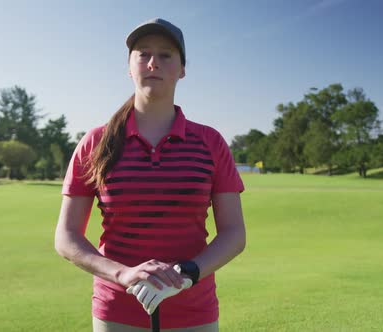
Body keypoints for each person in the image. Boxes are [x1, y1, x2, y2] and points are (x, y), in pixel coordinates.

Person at [55, 18, 246, 332]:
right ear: (130, 67)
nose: (153, 62)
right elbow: (66, 237)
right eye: (143, 54)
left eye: (166, 55)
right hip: (117, 311)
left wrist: (186, 273)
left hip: (193, 312)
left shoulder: (210, 143)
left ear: (182, 69)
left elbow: (234, 234)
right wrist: (123, 274)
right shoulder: (96, 143)